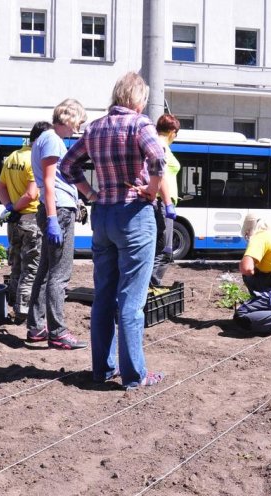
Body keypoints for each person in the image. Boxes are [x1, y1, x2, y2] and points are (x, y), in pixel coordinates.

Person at [60, 72, 169, 390]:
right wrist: (151, 190)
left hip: (103, 215)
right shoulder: (140, 124)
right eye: (145, 99)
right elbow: (159, 160)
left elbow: (68, 167)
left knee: (104, 297)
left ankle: (102, 370)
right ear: (138, 99)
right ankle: (136, 376)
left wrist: (91, 194)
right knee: (132, 302)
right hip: (134, 215)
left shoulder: (94, 128)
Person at [25, 100, 89, 350]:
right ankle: (58, 333)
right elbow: (50, 183)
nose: (80, 126)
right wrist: (52, 218)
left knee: (44, 271)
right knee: (60, 274)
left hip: (53, 208)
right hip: (59, 209)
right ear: (69, 117)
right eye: (79, 121)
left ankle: (36, 327)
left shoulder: (43, 139)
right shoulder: (53, 140)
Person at [0, 122, 47, 321]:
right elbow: (31, 194)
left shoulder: (13, 157)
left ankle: (11, 304)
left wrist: (10, 207)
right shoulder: (35, 160)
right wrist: (18, 208)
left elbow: (0, 187)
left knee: (16, 265)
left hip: (15, 222)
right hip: (31, 218)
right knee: (31, 268)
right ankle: (23, 310)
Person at [150, 113, 182, 288]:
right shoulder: (161, 147)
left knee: (162, 251)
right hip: (162, 203)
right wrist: (168, 203)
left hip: (163, 203)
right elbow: (159, 175)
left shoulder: (161, 146)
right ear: (172, 131)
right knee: (164, 252)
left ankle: (151, 286)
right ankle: (151, 288)